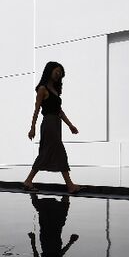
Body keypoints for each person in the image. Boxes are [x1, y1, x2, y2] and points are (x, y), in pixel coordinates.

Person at [23, 61, 82, 193]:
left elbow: (59, 111)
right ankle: (70, 185)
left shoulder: (55, 91)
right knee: (59, 150)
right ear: (49, 71)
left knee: (46, 152)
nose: (58, 74)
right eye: (57, 71)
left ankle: (28, 181)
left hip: (56, 123)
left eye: (60, 73)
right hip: (49, 123)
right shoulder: (42, 89)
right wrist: (32, 128)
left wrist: (70, 125)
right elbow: (37, 109)